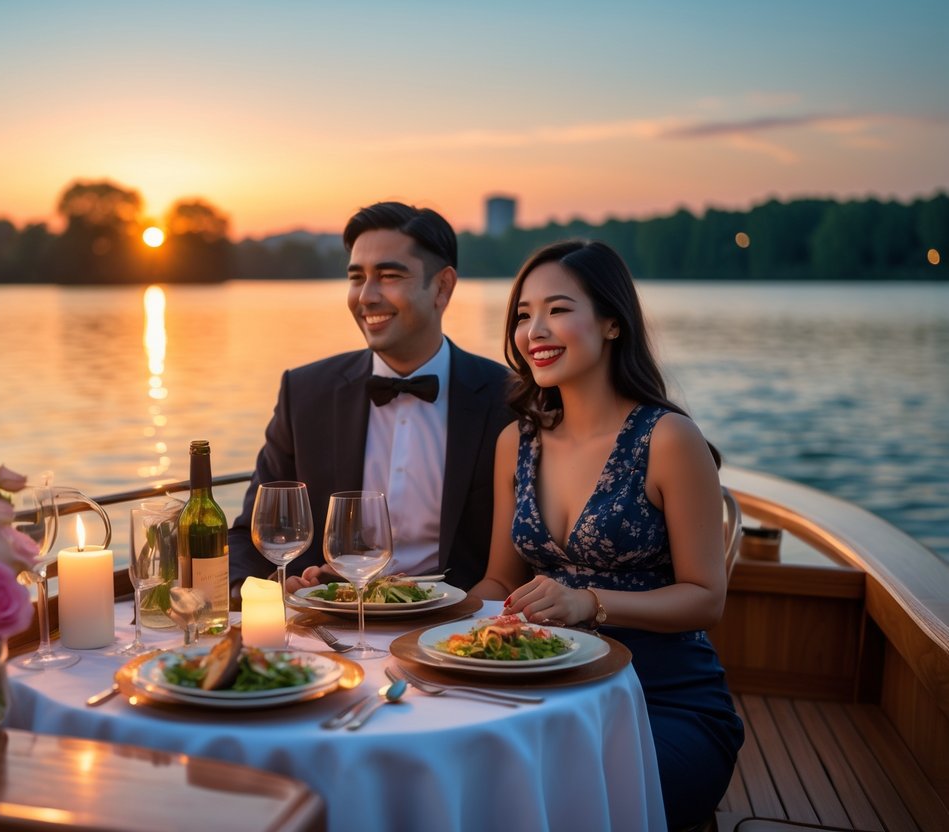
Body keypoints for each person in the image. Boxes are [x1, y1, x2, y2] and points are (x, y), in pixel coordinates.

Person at [470, 240, 743, 829]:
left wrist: (588, 603)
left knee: (563, 806)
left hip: (661, 700)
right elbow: (498, 581)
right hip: (547, 692)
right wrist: (393, 604)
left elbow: (706, 597)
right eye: (522, 314)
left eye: (558, 309)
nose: (534, 330)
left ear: (613, 322)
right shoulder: (516, 442)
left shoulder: (669, 439)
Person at [228, 201, 514, 596]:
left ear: (443, 287)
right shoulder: (305, 393)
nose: (366, 296)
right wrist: (264, 592)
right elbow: (252, 534)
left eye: (389, 276)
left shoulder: (509, 398)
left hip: (456, 632)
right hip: (332, 627)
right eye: (357, 277)